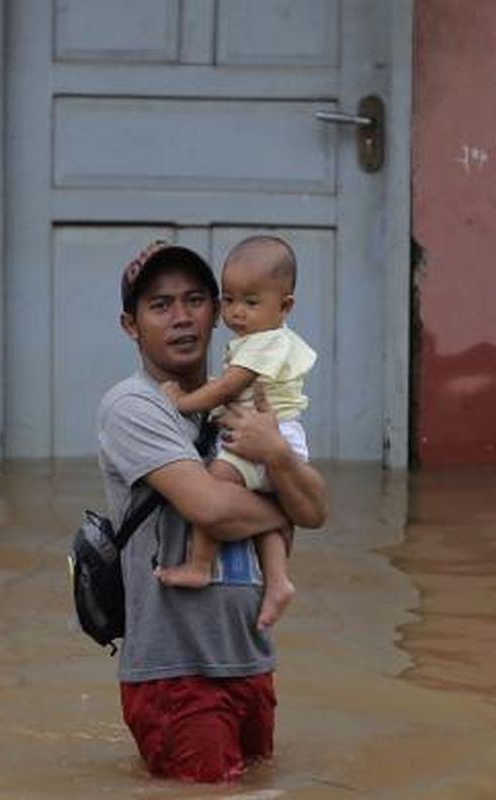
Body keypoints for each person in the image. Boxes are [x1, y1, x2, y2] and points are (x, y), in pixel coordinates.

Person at [98, 240, 328, 783]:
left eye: (195, 300)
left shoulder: (244, 405)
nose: (182, 318)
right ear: (131, 325)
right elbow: (213, 509)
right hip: (177, 673)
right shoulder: (134, 406)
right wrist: (279, 508)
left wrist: (275, 454)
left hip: (250, 660)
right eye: (160, 305)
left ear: (219, 311)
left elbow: (316, 511)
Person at [156, 235, 315, 630]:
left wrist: (181, 400)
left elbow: (227, 389)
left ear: (286, 305)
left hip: (260, 438)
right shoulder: (270, 341)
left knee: (217, 480)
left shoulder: (262, 345)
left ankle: (200, 564)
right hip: (282, 439)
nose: (237, 312)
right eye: (228, 300)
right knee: (258, 499)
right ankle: (277, 581)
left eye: (250, 302)